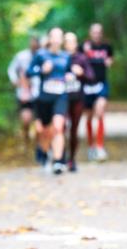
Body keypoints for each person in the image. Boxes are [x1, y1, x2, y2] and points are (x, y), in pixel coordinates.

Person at [28, 27, 84, 175]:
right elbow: (29, 71)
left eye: (60, 37)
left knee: (59, 127)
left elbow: (67, 72)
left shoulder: (66, 57)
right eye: (54, 36)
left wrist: (71, 74)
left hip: (61, 96)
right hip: (44, 98)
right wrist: (41, 70)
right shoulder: (41, 54)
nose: (57, 40)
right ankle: (44, 153)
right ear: (50, 38)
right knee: (44, 131)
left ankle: (58, 161)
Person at [63, 31, 95, 172]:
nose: (70, 44)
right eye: (67, 41)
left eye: (72, 41)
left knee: (74, 129)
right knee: (61, 127)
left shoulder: (81, 58)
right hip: (61, 98)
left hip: (77, 98)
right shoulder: (60, 58)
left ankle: (72, 159)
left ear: (76, 43)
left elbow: (91, 76)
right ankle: (60, 156)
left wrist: (81, 73)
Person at [82, 23, 114, 161]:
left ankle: (100, 147)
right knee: (89, 117)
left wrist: (109, 61)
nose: (96, 34)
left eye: (99, 32)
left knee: (100, 112)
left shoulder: (107, 47)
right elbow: (76, 60)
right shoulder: (83, 47)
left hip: (101, 83)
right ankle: (91, 147)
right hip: (87, 85)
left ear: (102, 33)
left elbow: (110, 60)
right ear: (90, 33)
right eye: (94, 32)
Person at [7, 35, 40, 158]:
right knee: (26, 120)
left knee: (39, 124)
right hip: (24, 94)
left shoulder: (42, 56)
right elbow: (11, 69)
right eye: (32, 42)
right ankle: (26, 142)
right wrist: (15, 80)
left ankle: (39, 147)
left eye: (36, 42)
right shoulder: (21, 56)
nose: (34, 44)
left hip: (38, 94)